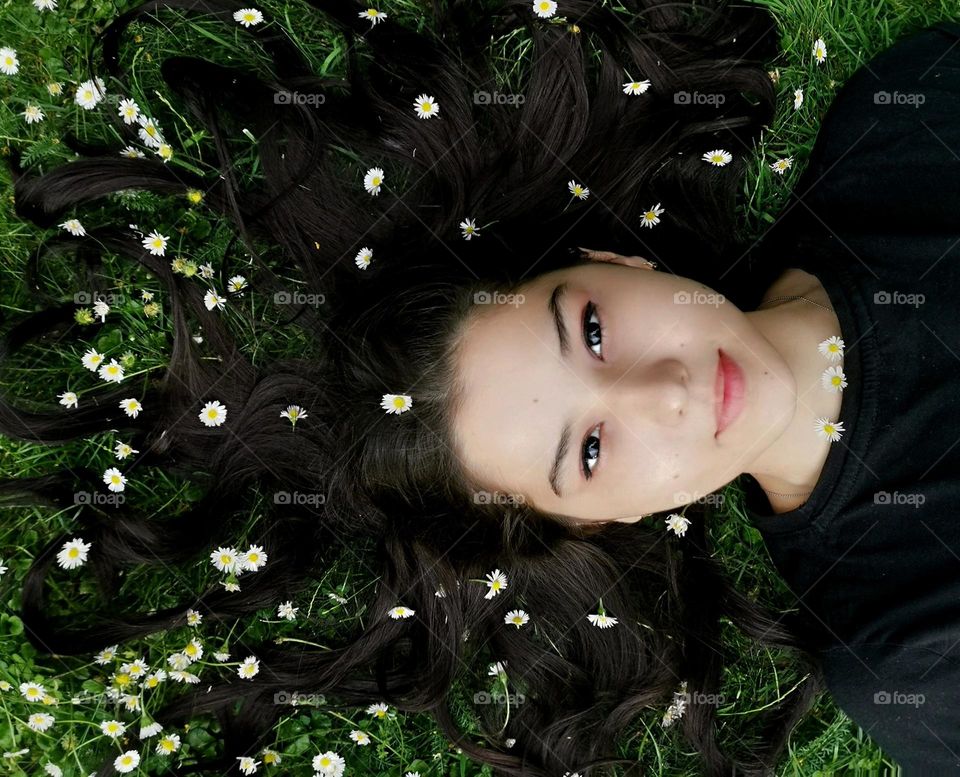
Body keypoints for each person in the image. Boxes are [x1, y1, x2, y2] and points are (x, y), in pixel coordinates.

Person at [2, 0, 957, 773]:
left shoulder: (906, 120)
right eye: (587, 451)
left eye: (591, 328)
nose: (665, 392)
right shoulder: (912, 648)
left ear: (613, 256)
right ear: (599, 521)